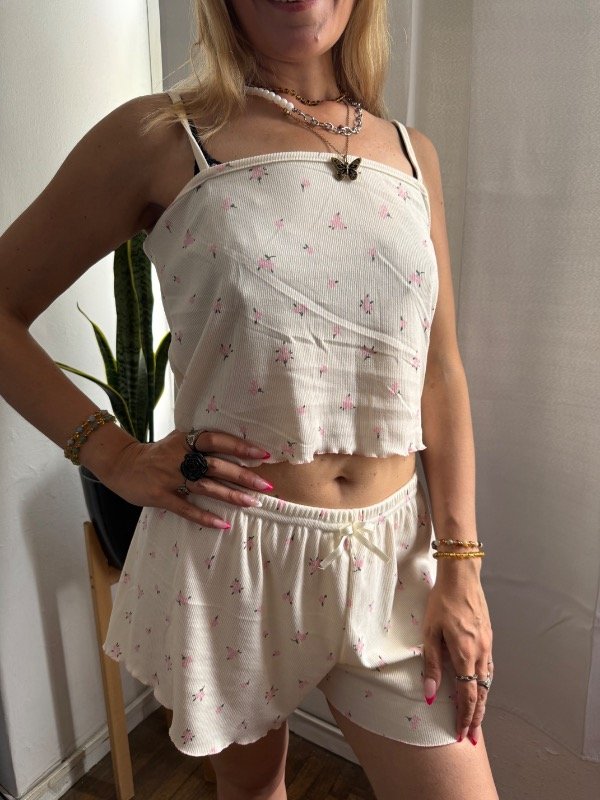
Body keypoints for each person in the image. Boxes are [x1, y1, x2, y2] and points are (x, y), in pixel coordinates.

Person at [0, 1, 499, 798]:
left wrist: (462, 566)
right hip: (231, 548)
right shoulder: (161, 137)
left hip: (395, 558)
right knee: (252, 792)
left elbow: (439, 372)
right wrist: (114, 455)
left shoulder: (412, 154)